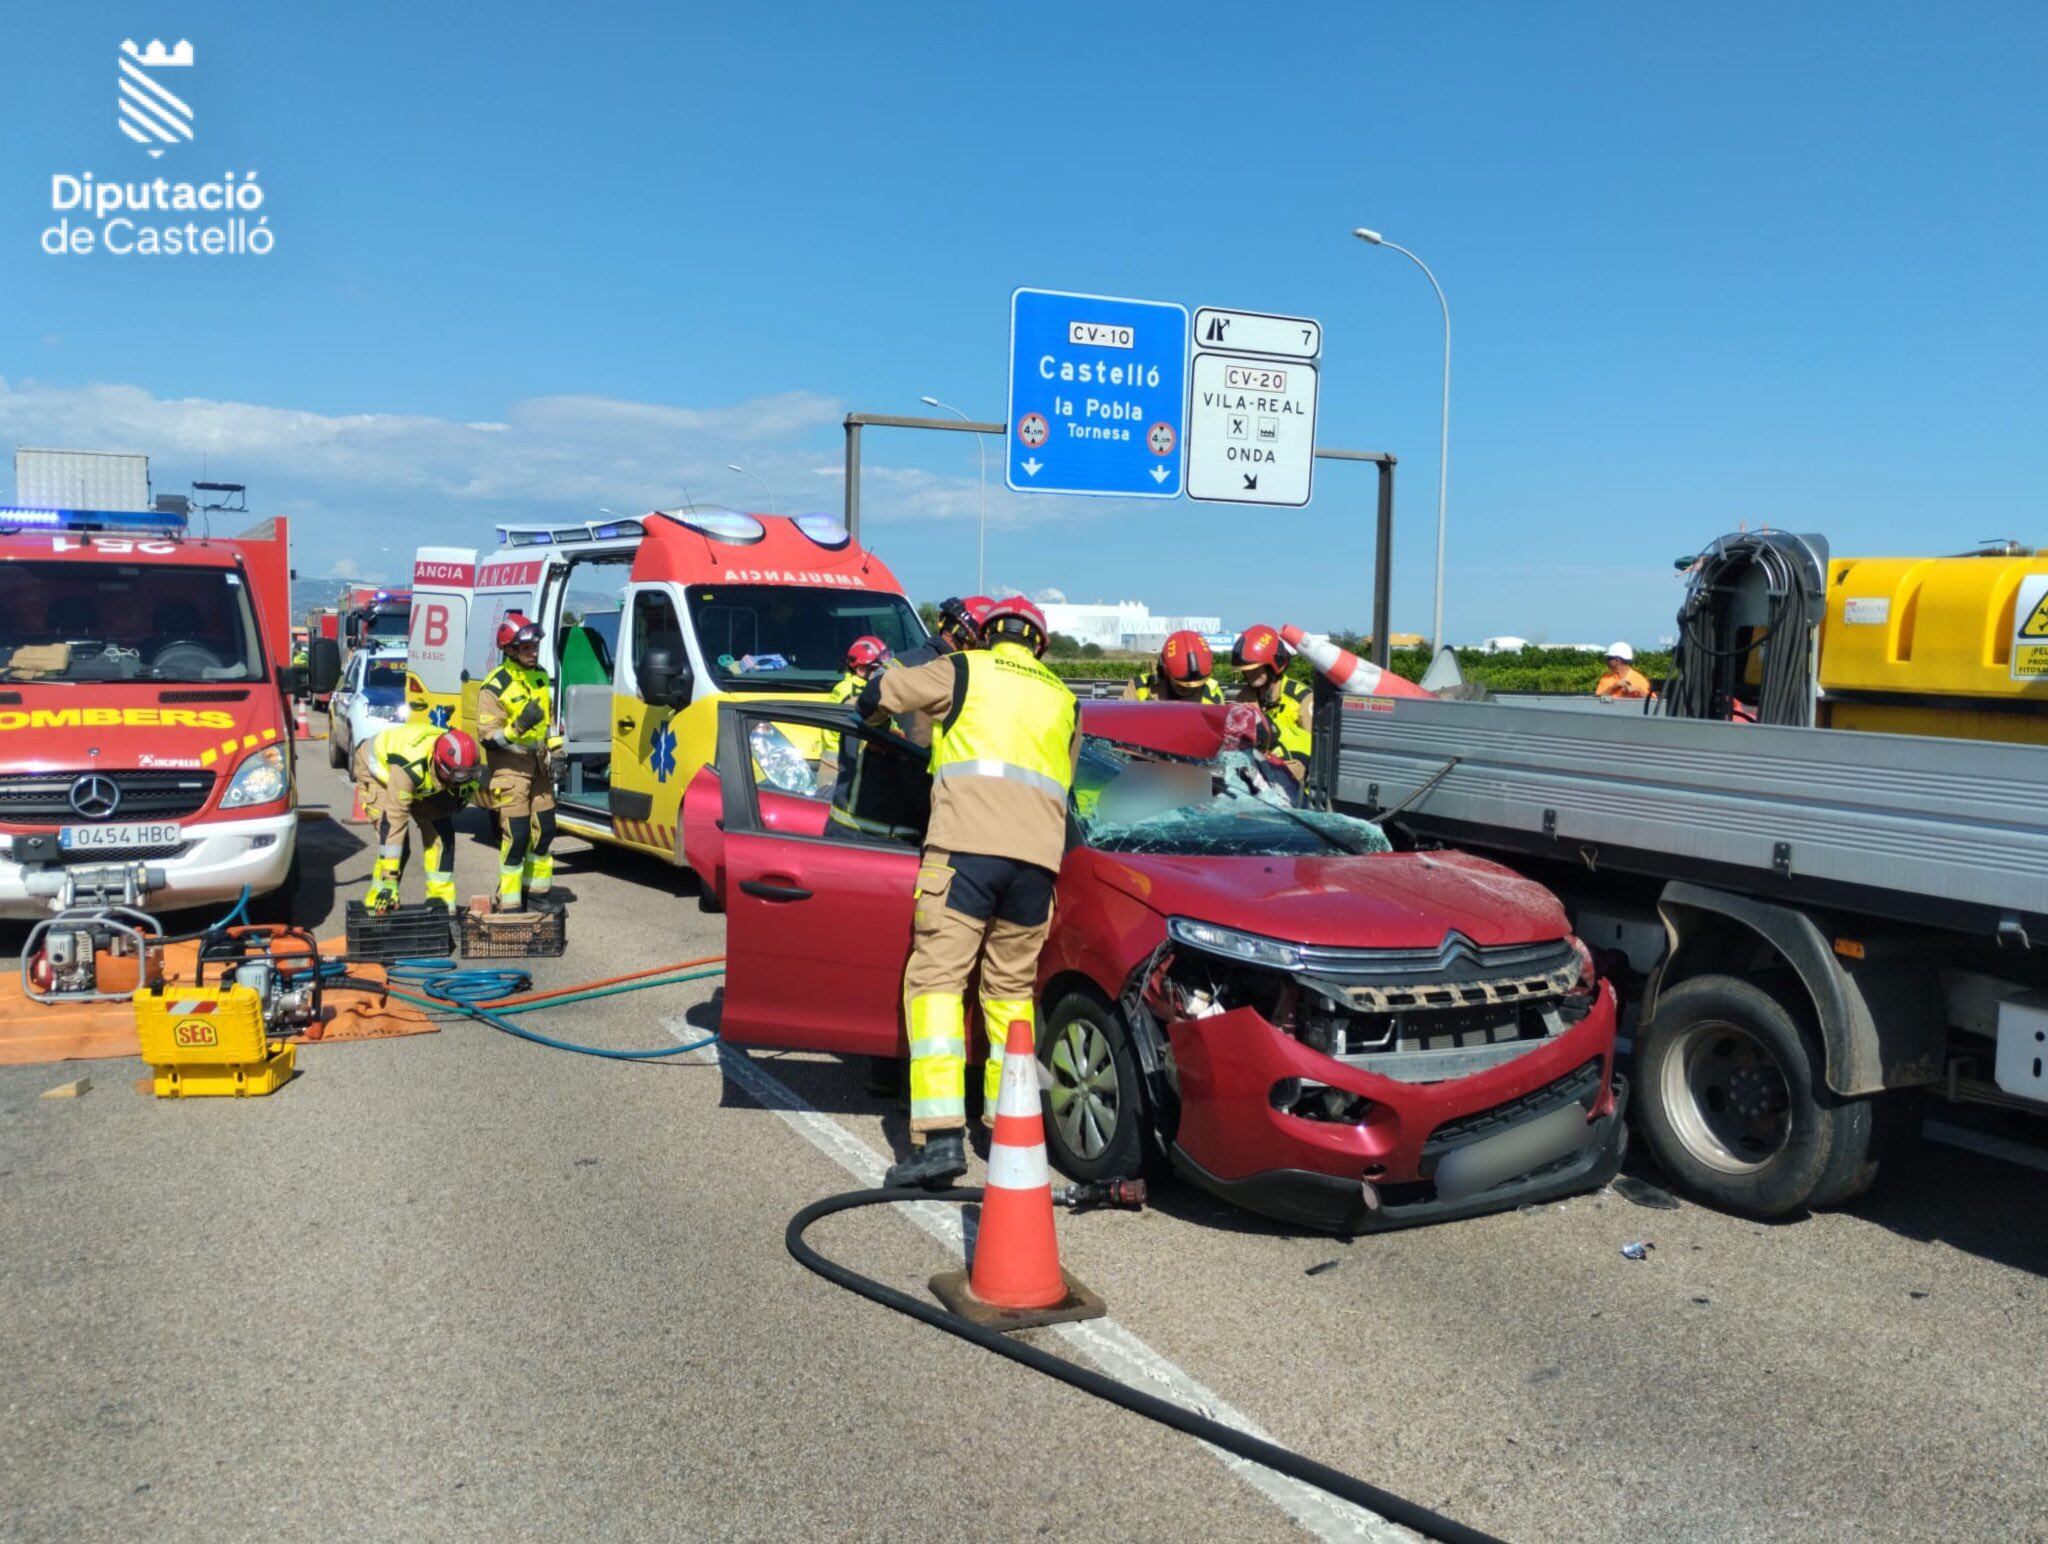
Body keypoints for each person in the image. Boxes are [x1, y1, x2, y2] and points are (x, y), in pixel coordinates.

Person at [859, 595, 1080, 1188]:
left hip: (965, 855)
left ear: (984, 635)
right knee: (1009, 995)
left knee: (935, 984)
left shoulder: (964, 669)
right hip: (1037, 868)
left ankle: (940, 1139)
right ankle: (1010, 1126)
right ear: (1041, 645)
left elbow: (880, 697)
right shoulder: (1065, 698)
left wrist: (877, 700)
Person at [477, 611, 559, 911]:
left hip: (538, 763)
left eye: (536, 646)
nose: (534, 652)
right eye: (527, 648)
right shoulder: (494, 685)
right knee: (518, 834)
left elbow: (548, 724)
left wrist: (556, 751)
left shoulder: (539, 675)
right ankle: (509, 902)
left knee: (546, 828)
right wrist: (518, 727)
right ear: (510, 650)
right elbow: (487, 737)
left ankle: (536, 893)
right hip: (510, 766)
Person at [354, 724, 484, 911]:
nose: (463, 780)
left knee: (442, 833)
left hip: (423, 774)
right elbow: (394, 821)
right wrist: (389, 878)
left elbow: (474, 784)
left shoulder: (461, 761)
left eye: (468, 774)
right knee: (399, 846)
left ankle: (440, 904)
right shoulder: (410, 769)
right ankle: (379, 904)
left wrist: (462, 795)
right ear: (442, 768)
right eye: (460, 776)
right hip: (376, 768)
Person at [1231, 624, 1314, 767]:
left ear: (1274, 664)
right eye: (1246, 669)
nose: (1250, 673)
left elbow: (1318, 749)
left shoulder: (1303, 699)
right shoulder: (1244, 697)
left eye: (1256, 668)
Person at [1125, 629, 1224, 704]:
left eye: (1196, 686)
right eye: (1180, 685)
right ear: (1164, 671)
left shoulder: (1213, 694)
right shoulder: (1140, 687)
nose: (1187, 689)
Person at [830, 635, 891, 703]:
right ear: (860, 668)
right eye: (876, 668)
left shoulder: (869, 686)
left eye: (882, 667)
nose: (881, 671)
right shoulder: (848, 690)